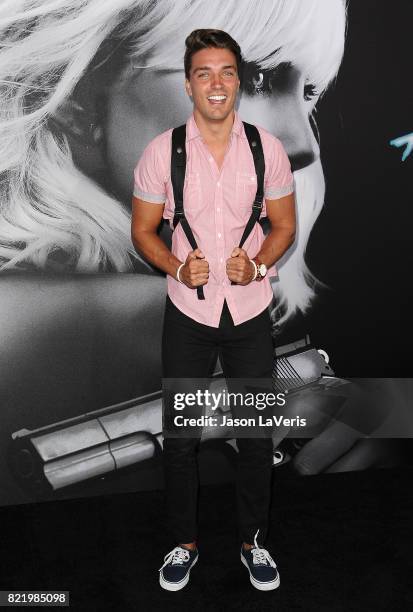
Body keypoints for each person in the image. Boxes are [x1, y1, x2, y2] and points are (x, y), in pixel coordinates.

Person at [131, 28, 296, 592]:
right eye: (205, 73)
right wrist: (177, 268)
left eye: (226, 71)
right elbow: (143, 232)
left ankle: (254, 542)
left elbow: (284, 226)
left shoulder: (266, 148)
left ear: (239, 81)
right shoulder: (161, 152)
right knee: (181, 438)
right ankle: (184, 543)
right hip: (189, 315)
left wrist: (257, 264)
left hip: (249, 312)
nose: (216, 83)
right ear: (189, 84)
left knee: (254, 436)